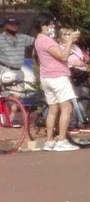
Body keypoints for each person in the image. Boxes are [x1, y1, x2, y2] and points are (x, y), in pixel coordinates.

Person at [33, 13, 81, 152]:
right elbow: (63, 56)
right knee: (67, 108)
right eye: (50, 24)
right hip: (57, 77)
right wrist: (70, 41)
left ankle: (49, 141)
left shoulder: (39, 40)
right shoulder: (46, 41)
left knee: (53, 109)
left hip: (47, 77)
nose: (52, 27)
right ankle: (61, 140)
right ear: (43, 25)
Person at [0, 16, 33, 89]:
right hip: (4, 70)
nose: (15, 26)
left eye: (16, 24)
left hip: (18, 71)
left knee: (17, 96)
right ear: (5, 26)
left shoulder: (23, 38)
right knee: (5, 96)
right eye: (12, 24)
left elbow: (38, 42)